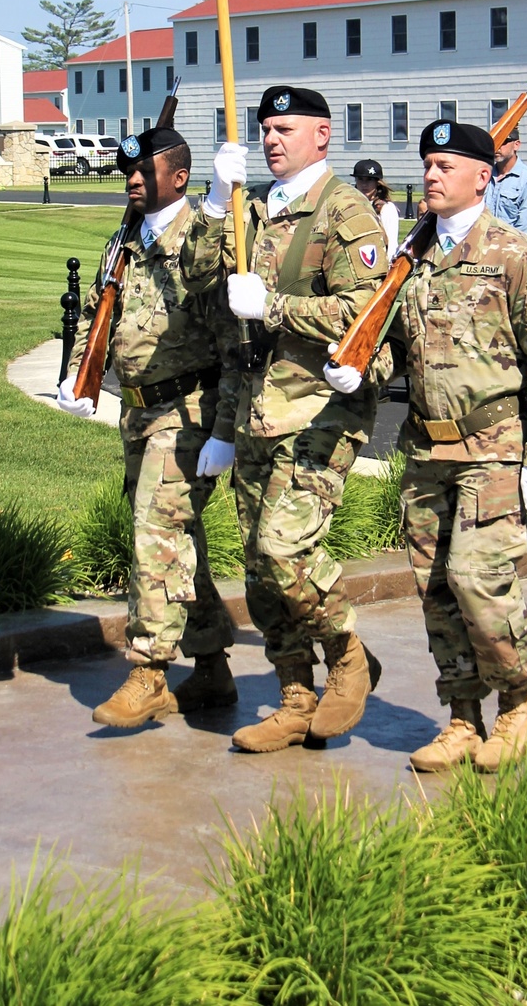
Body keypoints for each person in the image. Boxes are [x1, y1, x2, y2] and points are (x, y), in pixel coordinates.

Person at [325, 120, 527, 772]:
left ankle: (519, 703)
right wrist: (361, 368)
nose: (431, 175)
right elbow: (395, 351)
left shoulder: (517, 254)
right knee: (435, 587)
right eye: (428, 165)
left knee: (478, 577)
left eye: (445, 165)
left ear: (482, 177)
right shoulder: (411, 261)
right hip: (427, 451)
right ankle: (463, 716)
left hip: (493, 446)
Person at [180, 86, 389, 752]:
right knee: (259, 569)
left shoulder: (345, 213)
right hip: (256, 410)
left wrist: (272, 305)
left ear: (322, 136)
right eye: (266, 128)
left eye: (286, 129)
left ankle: (349, 653)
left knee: (284, 549)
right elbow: (202, 282)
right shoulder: (257, 209)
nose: (272, 139)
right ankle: (296, 695)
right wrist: (216, 202)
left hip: (320, 408)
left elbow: (363, 315)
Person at [58, 125, 240, 728]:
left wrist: (225, 429)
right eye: (127, 171)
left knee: (153, 527)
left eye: (145, 171)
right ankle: (211, 664)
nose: (132, 179)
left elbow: (230, 330)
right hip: (138, 412)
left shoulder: (206, 238)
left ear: (181, 177)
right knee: (174, 539)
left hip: (190, 410)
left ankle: (149, 671)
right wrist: (79, 373)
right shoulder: (126, 239)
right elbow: (97, 312)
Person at [484, 127, 527, 241]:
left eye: (503, 141)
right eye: (493, 141)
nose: (497, 146)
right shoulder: (483, 177)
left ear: (516, 145)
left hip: (515, 253)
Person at [352, 157, 400, 259]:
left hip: (379, 261)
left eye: (369, 180)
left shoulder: (386, 208)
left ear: (377, 182)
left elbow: (391, 242)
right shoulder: (350, 205)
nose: (364, 184)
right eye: (360, 179)